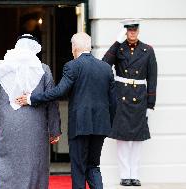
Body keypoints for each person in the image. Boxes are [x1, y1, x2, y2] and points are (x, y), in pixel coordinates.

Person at [16, 32, 116, 189]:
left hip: (80, 126)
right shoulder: (105, 68)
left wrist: (31, 98)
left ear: (73, 47)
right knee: (93, 166)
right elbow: (113, 101)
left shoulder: (72, 66)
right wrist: (108, 123)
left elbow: (59, 92)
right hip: (100, 126)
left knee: (78, 168)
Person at [0, 34, 61, 189]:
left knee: (6, 167)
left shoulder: (2, 69)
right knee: (34, 167)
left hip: (7, 128)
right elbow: (51, 101)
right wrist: (55, 130)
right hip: (35, 129)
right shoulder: (43, 70)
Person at [102, 19, 158, 186]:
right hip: (121, 97)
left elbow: (152, 78)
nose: (132, 33)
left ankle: (135, 174)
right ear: (125, 31)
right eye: (129, 30)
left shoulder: (147, 50)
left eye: (134, 30)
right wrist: (116, 42)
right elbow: (104, 64)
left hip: (139, 97)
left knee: (137, 139)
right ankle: (125, 174)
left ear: (138, 31)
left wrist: (150, 103)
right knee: (122, 138)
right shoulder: (119, 48)